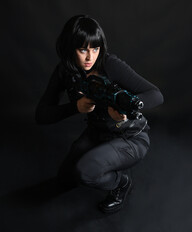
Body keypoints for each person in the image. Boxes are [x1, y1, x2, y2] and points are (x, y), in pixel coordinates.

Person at [35, 15, 164, 213]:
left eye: (95, 49)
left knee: (85, 172)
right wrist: (75, 107)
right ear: (70, 48)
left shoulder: (110, 64)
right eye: (83, 49)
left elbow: (156, 95)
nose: (90, 57)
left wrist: (126, 112)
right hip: (98, 134)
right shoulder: (65, 71)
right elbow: (41, 116)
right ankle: (106, 160)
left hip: (131, 137)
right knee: (65, 180)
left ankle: (122, 183)